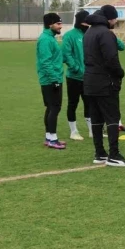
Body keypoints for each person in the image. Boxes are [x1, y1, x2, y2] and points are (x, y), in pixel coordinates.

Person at [84, 5, 125, 167]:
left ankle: (100, 153)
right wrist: (120, 73)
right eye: (115, 18)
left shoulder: (89, 32)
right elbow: (111, 59)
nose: (116, 21)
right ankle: (114, 155)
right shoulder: (106, 33)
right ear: (109, 18)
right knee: (112, 118)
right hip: (105, 81)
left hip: (90, 80)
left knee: (96, 118)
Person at [37, 13, 66, 150]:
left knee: (51, 107)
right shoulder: (45, 40)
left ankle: (49, 137)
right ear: (50, 25)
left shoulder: (50, 38)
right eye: (58, 24)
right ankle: (53, 139)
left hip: (53, 77)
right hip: (50, 79)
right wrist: (54, 79)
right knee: (54, 107)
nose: (61, 26)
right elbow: (45, 62)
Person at [62, 10, 91, 141]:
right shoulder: (69, 36)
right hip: (74, 77)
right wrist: (77, 69)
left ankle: (92, 131)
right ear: (80, 22)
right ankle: (73, 132)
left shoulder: (90, 34)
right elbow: (66, 55)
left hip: (89, 77)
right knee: (73, 104)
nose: (87, 25)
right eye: (85, 22)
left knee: (89, 104)